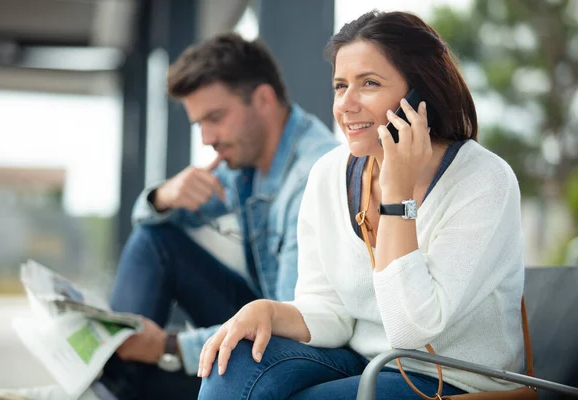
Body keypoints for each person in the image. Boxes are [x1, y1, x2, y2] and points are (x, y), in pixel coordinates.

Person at [0, 33, 339, 400]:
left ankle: (104, 390)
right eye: (199, 124)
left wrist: (168, 345)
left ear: (264, 99)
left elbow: (291, 321)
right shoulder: (242, 165)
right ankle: (107, 387)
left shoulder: (311, 176)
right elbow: (154, 227)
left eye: (215, 118)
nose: (206, 139)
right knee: (156, 239)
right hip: (266, 316)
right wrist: (163, 196)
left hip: (305, 345)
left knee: (149, 367)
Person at [196, 10, 526, 400]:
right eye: (340, 86)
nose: (346, 104)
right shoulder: (328, 174)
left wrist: (397, 197)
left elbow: (412, 331)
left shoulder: (483, 180)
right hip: (361, 359)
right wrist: (267, 311)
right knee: (233, 361)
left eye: (369, 83)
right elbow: (329, 311)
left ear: (420, 93)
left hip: (453, 380)